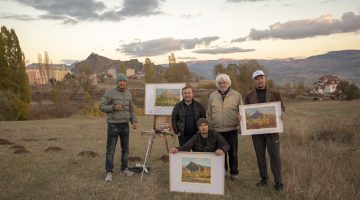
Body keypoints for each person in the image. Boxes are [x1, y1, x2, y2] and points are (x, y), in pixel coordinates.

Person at [244, 70, 285, 191]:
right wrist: (242, 117)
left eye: (261, 78)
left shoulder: (275, 92)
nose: (260, 80)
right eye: (257, 79)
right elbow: (245, 112)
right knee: (260, 156)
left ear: (265, 79)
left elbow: (281, 106)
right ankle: (264, 179)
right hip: (256, 132)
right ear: (254, 81)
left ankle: (278, 182)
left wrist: (281, 112)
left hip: (272, 131)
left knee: (275, 157)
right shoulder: (248, 96)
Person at [99, 73, 137, 182]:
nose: (122, 82)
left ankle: (124, 169)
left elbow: (132, 110)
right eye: (120, 81)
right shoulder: (110, 93)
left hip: (125, 125)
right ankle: (109, 172)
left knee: (125, 149)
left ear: (126, 82)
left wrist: (134, 120)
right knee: (110, 151)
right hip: (113, 125)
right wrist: (113, 107)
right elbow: (101, 106)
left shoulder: (129, 94)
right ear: (117, 82)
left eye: (124, 81)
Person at [207, 74, 243, 181]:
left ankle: (234, 173)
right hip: (217, 131)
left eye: (224, 82)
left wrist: (241, 126)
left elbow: (242, 112)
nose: (222, 84)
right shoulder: (212, 96)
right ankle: (222, 172)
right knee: (219, 153)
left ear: (228, 83)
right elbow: (209, 112)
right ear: (217, 84)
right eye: (220, 83)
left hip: (231, 129)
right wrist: (210, 127)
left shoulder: (237, 95)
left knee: (233, 153)